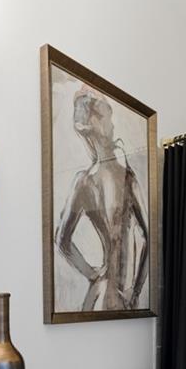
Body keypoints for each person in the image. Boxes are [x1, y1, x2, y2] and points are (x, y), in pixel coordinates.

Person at [55, 85, 148, 312]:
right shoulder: (124, 178)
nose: (113, 124)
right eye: (108, 117)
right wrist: (134, 290)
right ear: (96, 123)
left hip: (101, 293)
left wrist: (95, 276)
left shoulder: (86, 181)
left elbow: (62, 239)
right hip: (114, 292)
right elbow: (149, 238)